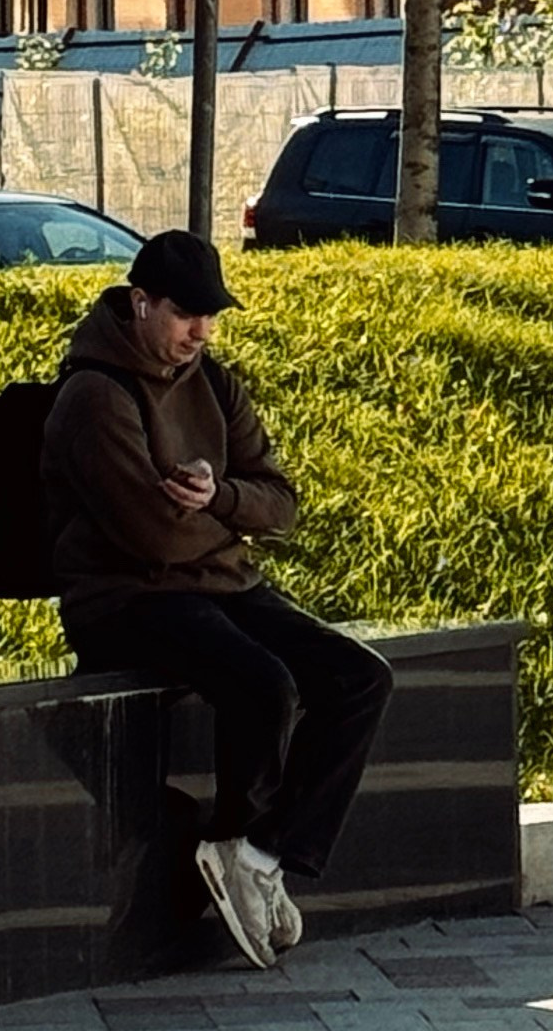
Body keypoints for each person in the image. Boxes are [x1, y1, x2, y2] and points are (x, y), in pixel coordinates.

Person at [42, 228, 391, 969]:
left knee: (361, 678)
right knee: (264, 683)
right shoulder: (95, 395)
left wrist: (219, 495)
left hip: (220, 585)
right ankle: (235, 842)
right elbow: (151, 537)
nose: (199, 331)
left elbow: (282, 502)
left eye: (211, 315)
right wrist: (227, 519)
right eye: (183, 313)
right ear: (141, 303)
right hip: (126, 600)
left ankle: (258, 854)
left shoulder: (216, 381)